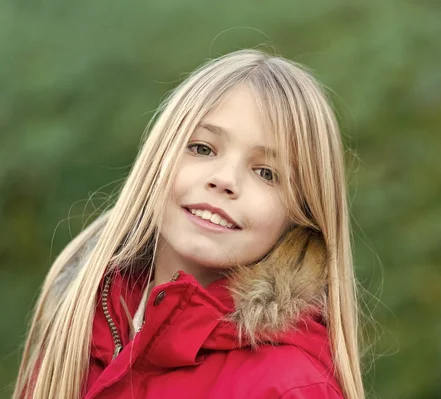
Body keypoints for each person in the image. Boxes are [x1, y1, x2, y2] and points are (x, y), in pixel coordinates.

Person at [13, 49, 364, 399]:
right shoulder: (80, 321)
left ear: (300, 214)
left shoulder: (291, 387)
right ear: (159, 155)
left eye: (265, 172)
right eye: (202, 148)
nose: (224, 179)